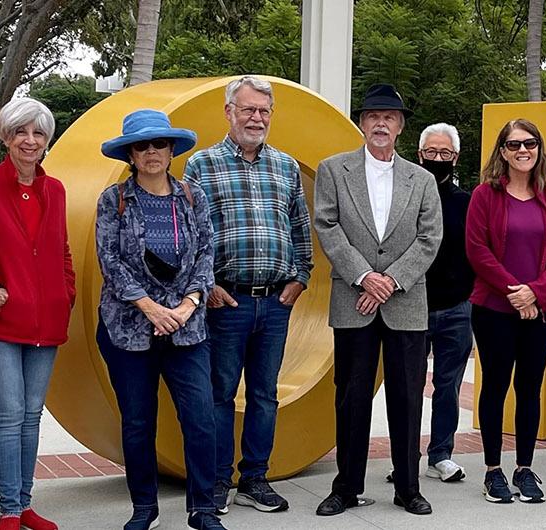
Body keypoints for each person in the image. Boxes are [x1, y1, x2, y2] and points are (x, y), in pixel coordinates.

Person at [311, 84, 441, 517]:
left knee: (407, 398)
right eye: (372, 117)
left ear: (401, 126)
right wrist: (365, 277)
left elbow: (429, 238)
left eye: (389, 117)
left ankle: (407, 486)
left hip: (406, 303)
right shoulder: (334, 170)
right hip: (354, 299)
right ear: (362, 123)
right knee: (351, 397)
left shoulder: (421, 179)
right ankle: (346, 486)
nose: (380, 123)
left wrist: (391, 280)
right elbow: (327, 227)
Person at [94, 109, 227, 530]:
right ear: (130, 154)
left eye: (159, 144)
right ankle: (144, 508)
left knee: (201, 418)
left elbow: (207, 254)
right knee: (137, 422)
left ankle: (203, 508)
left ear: (172, 150)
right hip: (129, 327)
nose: (151, 152)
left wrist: (187, 307)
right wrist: (150, 307)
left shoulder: (193, 196)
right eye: (141, 145)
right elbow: (109, 260)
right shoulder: (113, 200)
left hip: (187, 328)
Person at [188, 75, 308, 515]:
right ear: (229, 112)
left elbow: (299, 227)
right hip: (227, 302)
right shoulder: (201, 166)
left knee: (264, 394)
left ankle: (254, 478)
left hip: (276, 303)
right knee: (219, 394)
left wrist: (301, 278)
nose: (256, 117)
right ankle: (218, 481)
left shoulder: (287, 166)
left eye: (264, 110)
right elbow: (193, 235)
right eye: (248, 109)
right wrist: (208, 285)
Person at [0, 97, 72, 530]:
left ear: (47, 140)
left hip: (47, 321)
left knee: (31, 415)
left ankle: (26, 505)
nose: (30, 141)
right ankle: (8, 510)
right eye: (20, 132)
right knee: (7, 415)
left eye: (38, 133)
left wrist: (66, 294)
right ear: (6, 137)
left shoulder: (56, 189)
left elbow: (62, 249)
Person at [466, 118, 546, 504]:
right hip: (494, 307)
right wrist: (515, 292)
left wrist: (535, 293)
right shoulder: (485, 196)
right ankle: (493, 470)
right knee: (495, 387)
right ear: (502, 152)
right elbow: (477, 250)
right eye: (514, 145)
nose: (522, 151)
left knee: (528, 388)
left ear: (539, 150)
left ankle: (525, 468)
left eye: (529, 143)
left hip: (541, 310)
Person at [418, 123, 474, 483]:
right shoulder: (405, 197)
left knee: (448, 386)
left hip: (456, 307)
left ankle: (441, 454)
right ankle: (403, 455)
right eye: (431, 153)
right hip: (412, 307)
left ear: (455, 158)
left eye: (445, 154)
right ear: (419, 154)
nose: (438, 159)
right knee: (406, 386)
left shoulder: (467, 202)